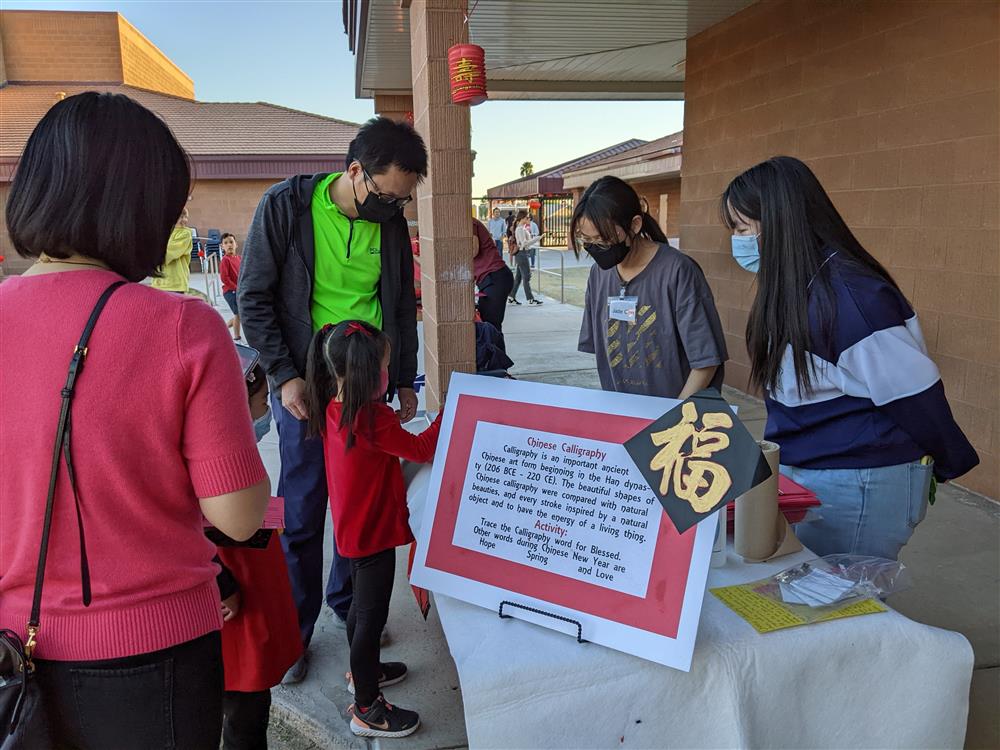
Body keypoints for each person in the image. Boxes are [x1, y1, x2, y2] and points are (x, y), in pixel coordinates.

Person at [0, 91, 270, 748]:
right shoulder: (182, 327)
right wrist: (248, 412)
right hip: (158, 654)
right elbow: (238, 515)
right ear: (142, 209)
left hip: (11, 650)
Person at [240, 116, 426, 683]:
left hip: (367, 383)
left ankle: (350, 609)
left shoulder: (389, 223)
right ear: (356, 172)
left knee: (360, 504)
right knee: (302, 507)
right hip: (307, 383)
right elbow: (254, 297)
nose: (394, 209)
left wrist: (403, 382)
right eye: (389, 195)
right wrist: (283, 374)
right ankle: (296, 629)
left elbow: (399, 305)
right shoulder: (286, 208)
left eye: (403, 200)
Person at [720, 155, 979, 560]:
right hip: (812, 469)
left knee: (845, 602)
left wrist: (944, 460)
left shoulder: (850, 298)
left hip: (860, 482)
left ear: (783, 219)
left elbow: (915, 396)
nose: (735, 240)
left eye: (741, 227)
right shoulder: (795, 286)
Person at [304, 321, 442, 739]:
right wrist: (450, 412)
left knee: (361, 612)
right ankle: (367, 706)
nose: (389, 372)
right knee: (370, 617)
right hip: (373, 535)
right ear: (369, 373)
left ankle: (365, 672)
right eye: (385, 366)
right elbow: (420, 448)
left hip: (353, 530)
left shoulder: (335, 408)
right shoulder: (370, 418)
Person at [574, 176, 727, 399]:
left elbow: (706, 362)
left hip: (676, 415)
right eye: (587, 240)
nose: (596, 248)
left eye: (603, 239)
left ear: (634, 225)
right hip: (623, 413)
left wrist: (672, 417)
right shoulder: (599, 275)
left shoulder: (678, 271)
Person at [214, 363, 302, 750]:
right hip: (236, 609)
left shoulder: (237, 452)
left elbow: (258, 510)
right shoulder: (210, 466)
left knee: (253, 704)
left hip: (254, 592)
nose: (267, 410)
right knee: (245, 712)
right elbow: (195, 534)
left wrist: (279, 513)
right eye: (261, 401)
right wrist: (222, 585)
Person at [473, 217, 514, 331]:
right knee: (487, 324)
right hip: (489, 279)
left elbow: (473, 249)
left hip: (495, 277)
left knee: (491, 327)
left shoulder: (468, 223)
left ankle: (495, 349)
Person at [152, 206, 193, 293]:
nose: (184, 219)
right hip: (160, 282)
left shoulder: (185, 234)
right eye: (180, 216)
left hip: (176, 283)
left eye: (186, 217)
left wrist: (155, 255)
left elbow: (171, 250)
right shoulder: (164, 232)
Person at [510, 210, 543, 306]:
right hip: (522, 254)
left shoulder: (522, 228)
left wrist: (535, 239)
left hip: (522, 254)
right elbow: (523, 244)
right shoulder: (520, 229)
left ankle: (511, 297)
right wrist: (537, 239)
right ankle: (530, 299)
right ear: (523, 218)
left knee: (519, 277)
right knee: (526, 277)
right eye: (527, 217)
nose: (529, 219)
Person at [220, 232, 243, 340]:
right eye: (226, 243)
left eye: (231, 242)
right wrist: (236, 288)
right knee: (238, 314)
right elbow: (225, 278)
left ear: (236, 244)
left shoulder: (239, 258)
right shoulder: (225, 260)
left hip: (239, 290)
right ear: (222, 246)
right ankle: (237, 337)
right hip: (230, 292)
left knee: (239, 314)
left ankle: (221, 329)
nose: (229, 245)